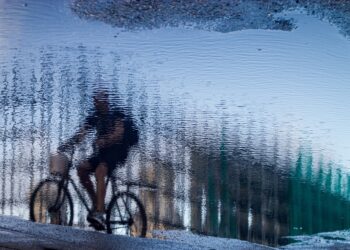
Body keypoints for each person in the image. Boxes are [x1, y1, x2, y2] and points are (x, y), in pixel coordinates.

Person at [59, 90, 138, 230]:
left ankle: (101, 213)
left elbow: (119, 134)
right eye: (94, 99)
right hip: (101, 153)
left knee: (100, 171)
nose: (95, 102)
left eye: (98, 99)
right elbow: (81, 134)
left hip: (117, 152)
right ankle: (97, 204)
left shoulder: (116, 113)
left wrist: (105, 140)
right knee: (81, 169)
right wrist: (68, 144)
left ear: (106, 99)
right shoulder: (94, 116)